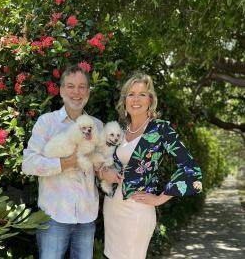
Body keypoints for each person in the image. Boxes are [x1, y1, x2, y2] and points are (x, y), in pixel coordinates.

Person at [99, 72, 203, 259]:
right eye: (131, 94)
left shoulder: (161, 129)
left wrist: (159, 198)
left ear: (150, 100)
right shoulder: (120, 132)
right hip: (112, 208)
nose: (136, 99)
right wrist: (104, 172)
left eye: (142, 94)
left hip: (137, 211)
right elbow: (103, 163)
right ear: (124, 100)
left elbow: (191, 168)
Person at [22, 65, 103, 259]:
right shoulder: (46, 122)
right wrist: (66, 163)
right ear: (61, 91)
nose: (77, 92)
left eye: (82, 86)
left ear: (88, 92)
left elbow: (101, 167)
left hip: (86, 217)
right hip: (53, 217)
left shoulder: (98, 125)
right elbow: (29, 163)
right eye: (71, 86)